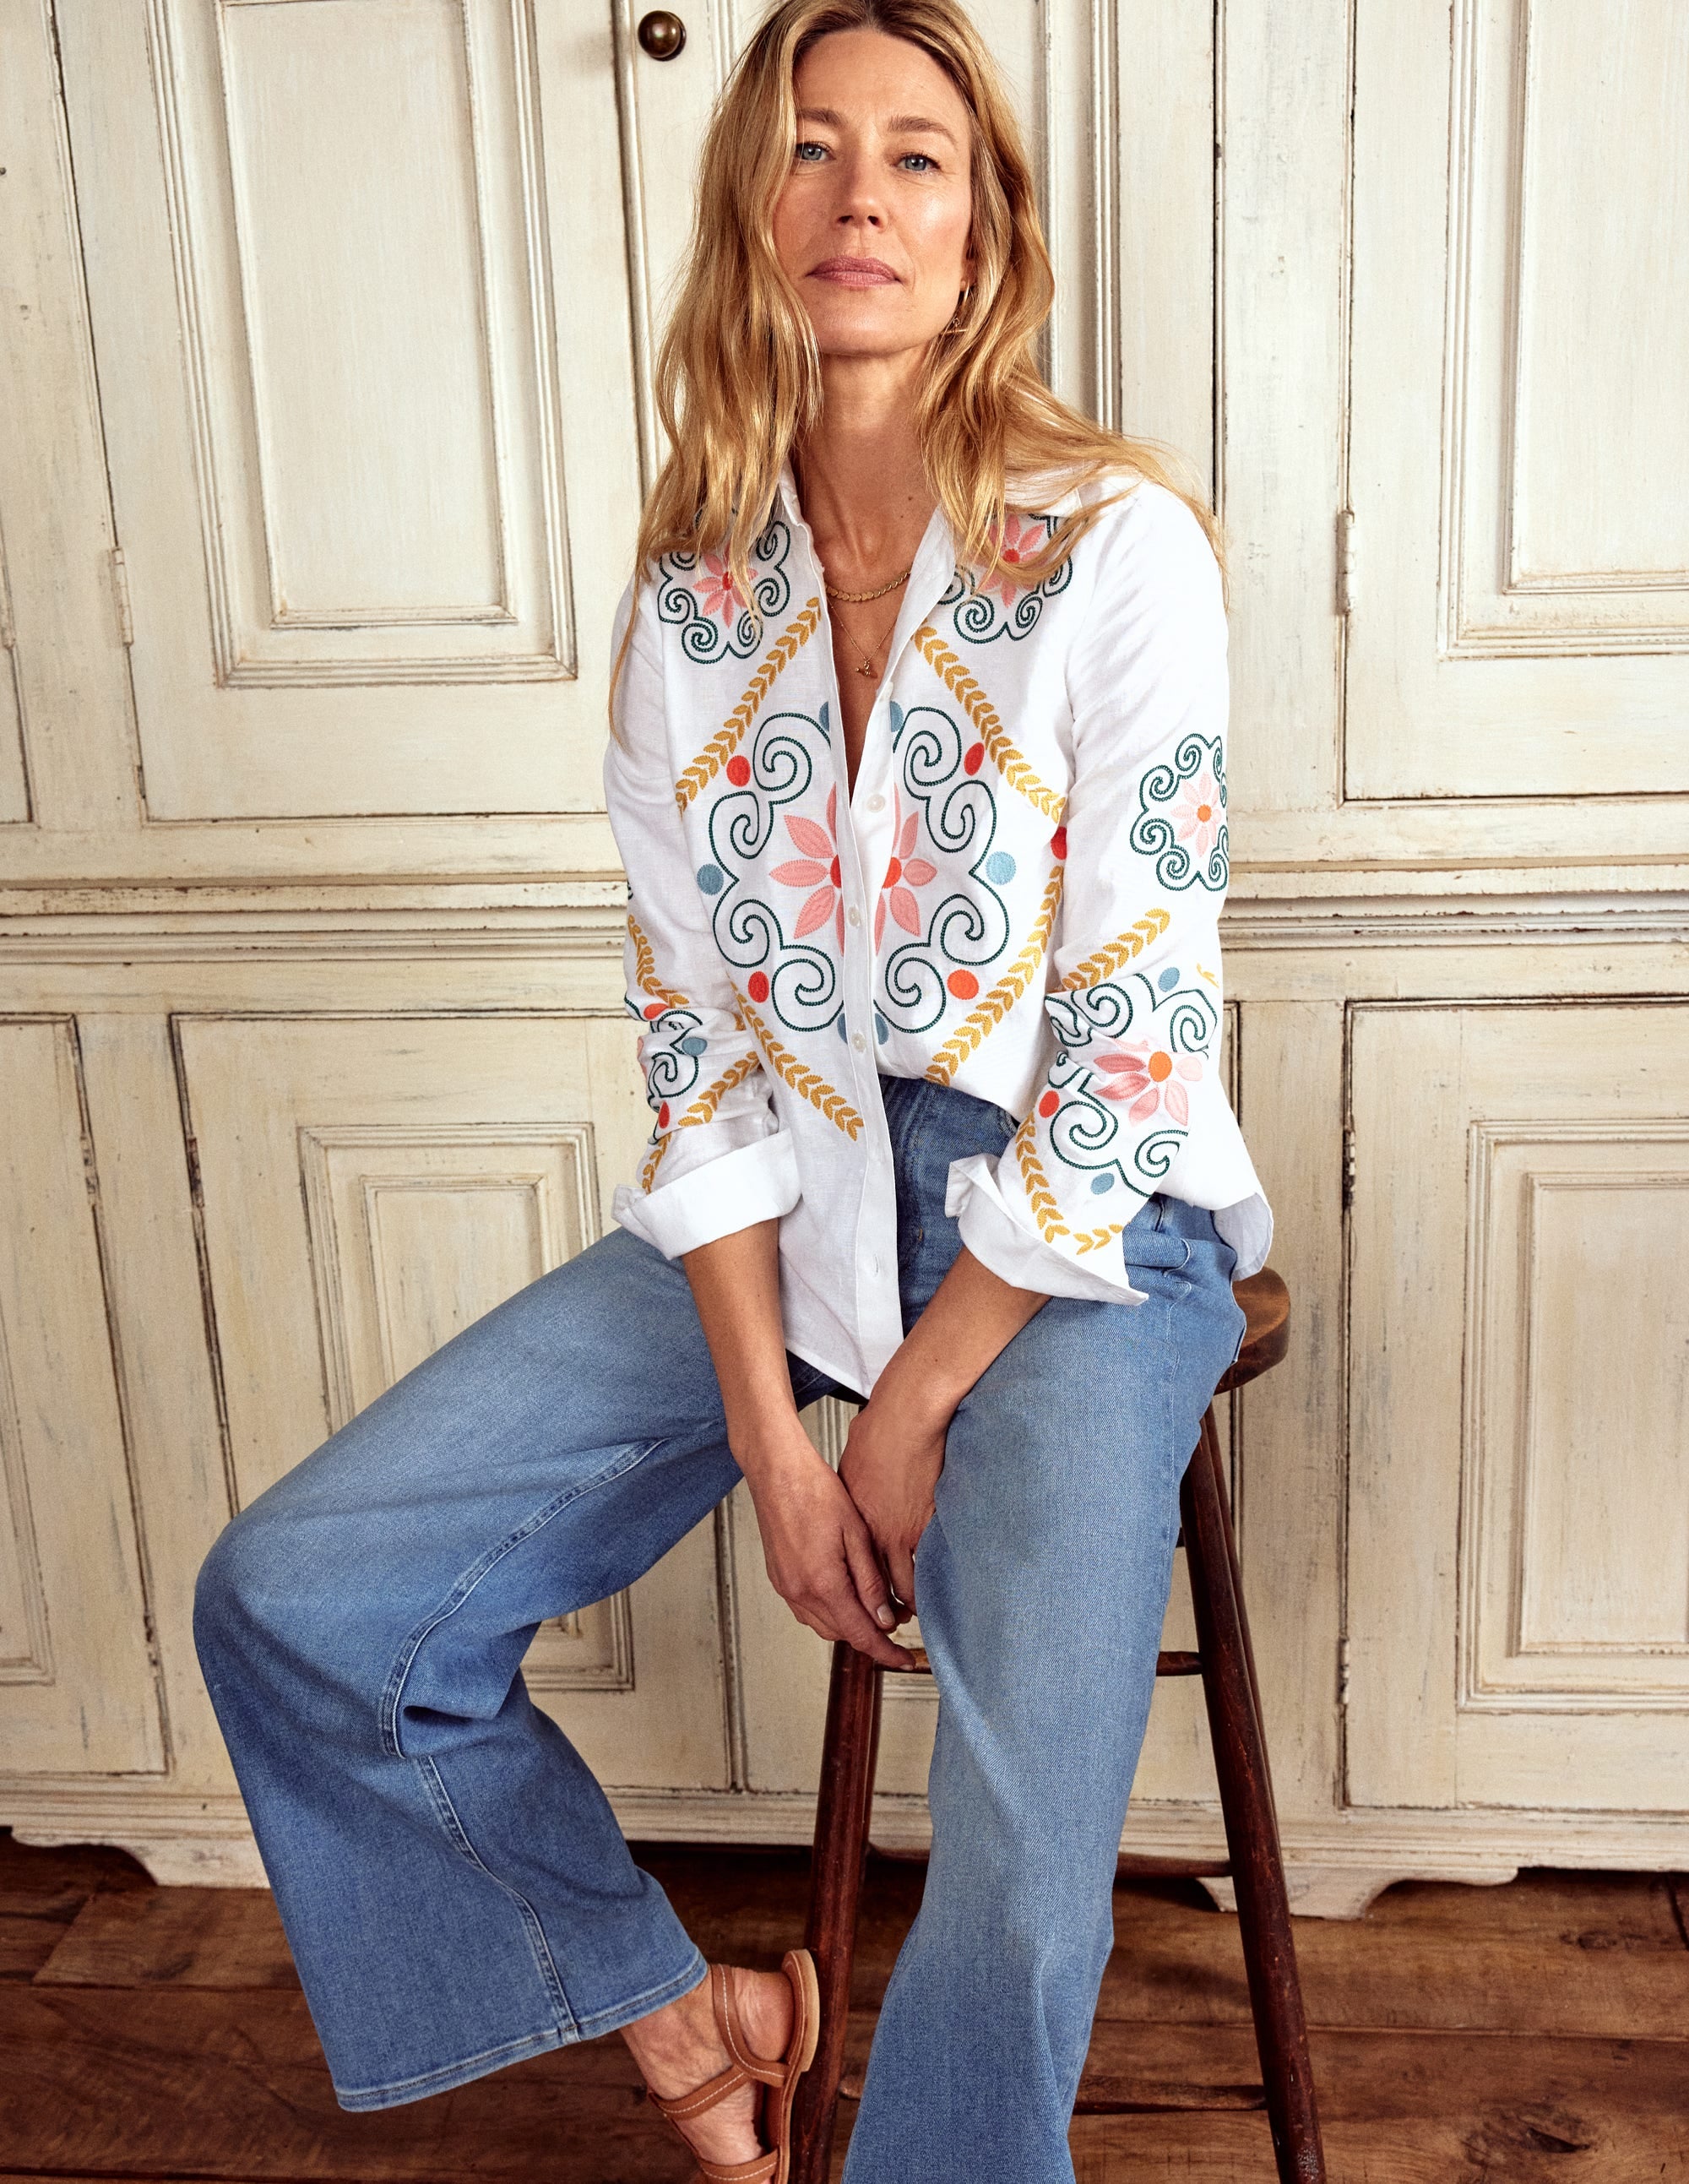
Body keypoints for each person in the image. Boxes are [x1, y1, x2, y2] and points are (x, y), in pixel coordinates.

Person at [193, 3, 1272, 2179]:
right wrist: (781, 1434)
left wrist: (918, 1393)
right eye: (807, 149)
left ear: (984, 237)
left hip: (1075, 1223)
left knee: (1017, 1839)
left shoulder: (1118, 548)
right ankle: (682, 2017)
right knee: (301, 1598)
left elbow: (1131, 1032)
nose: (859, 193)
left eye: (917, 158)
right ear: (749, 218)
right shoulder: (691, 602)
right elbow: (693, 1042)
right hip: (782, 1202)